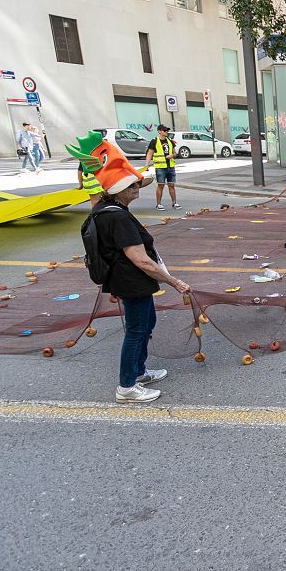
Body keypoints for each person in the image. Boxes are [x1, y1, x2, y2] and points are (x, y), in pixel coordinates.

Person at [77, 130, 191, 403]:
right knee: (137, 330)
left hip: (127, 280)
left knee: (145, 323)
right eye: (133, 186)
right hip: (132, 280)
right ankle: (127, 386)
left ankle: (138, 372)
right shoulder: (118, 218)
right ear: (119, 190)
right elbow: (139, 259)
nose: (137, 189)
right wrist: (174, 282)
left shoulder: (108, 210)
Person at [144, 125, 180, 210]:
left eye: (167, 130)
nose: (166, 132)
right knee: (161, 185)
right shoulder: (154, 141)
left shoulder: (170, 141)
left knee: (171, 185)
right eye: (164, 130)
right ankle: (158, 204)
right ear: (159, 131)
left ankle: (174, 203)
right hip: (160, 167)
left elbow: (175, 153)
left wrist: (172, 155)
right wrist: (146, 165)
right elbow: (149, 153)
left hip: (170, 166)